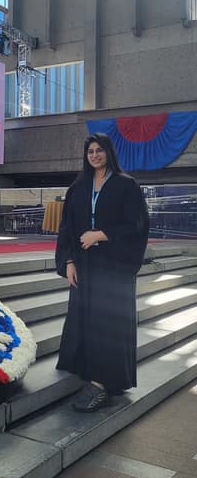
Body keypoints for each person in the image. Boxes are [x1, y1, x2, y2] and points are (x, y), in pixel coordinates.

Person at [55, 132, 149, 412]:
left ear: (108, 152)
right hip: (84, 264)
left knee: (108, 322)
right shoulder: (79, 187)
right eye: (90, 151)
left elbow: (137, 224)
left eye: (99, 150)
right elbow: (66, 227)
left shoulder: (126, 185)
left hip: (114, 266)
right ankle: (86, 369)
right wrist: (68, 261)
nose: (95, 155)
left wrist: (101, 234)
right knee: (86, 318)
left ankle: (103, 382)